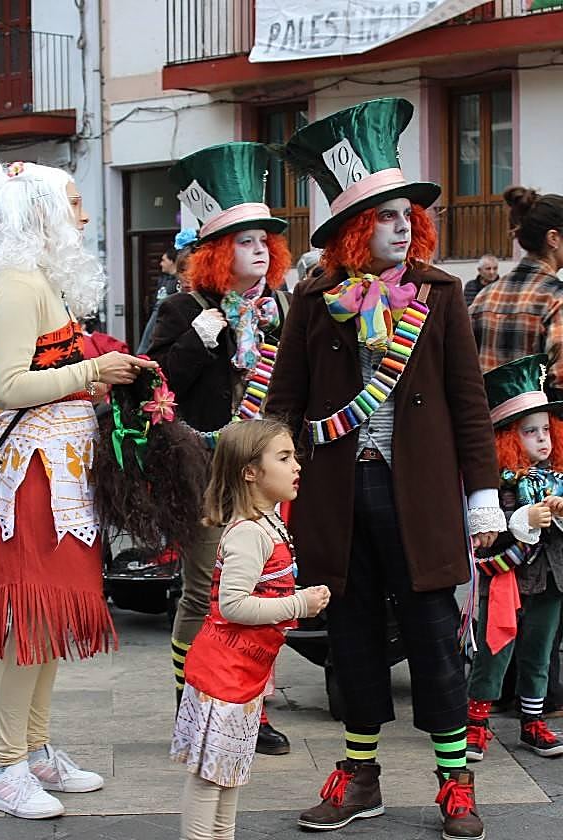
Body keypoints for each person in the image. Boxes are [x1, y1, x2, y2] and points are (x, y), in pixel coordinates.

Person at [264, 97, 500, 839]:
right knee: (353, 636)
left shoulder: (440, 293)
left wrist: (485, 495)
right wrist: (266, 492)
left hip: (421, 496)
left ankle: (454, 778)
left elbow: (468, 403)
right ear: (356, 229)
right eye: (388, 215)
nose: (405, 225)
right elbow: (284, 406)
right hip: (337, 495)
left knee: (432, 637)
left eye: (409, 215)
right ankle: (359, 775)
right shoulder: (312, 300)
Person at [0, 161, 150, 819]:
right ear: (43, 211)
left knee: (47, 625)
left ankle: (34, 749)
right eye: (74, 202)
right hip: (36, 483)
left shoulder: (40, 282)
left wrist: (93, 378)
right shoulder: (20, 286)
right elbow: (9, 386)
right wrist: (93, 367)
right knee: (31, 626)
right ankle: (4, 763)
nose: (83, 215)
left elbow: (40, 376)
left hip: (62, 476)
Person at [144, 143, 294, 754]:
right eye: (243, 240)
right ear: (214, 252)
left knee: (264, 589)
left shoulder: (277, 308)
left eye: (264, 240)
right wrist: (197, 344)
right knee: (206, 590)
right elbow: (152, 387)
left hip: (263, 472)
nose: (259, 249)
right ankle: (194, 705)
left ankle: (248, 708)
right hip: (203, 471)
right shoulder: (182, 308)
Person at [171, 419, 329, 840]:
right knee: (211, 780)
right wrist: (301, 604)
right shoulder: (249, 533)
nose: (297, 465)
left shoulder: (267, 523)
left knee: (229, 776)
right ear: (249, 472)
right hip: (224, 675)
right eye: (283, 457)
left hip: (243, 676)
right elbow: (233, 605)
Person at [465, 354, 563, 763]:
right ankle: (475, 724)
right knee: (495, 650)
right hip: (506, 577)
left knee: (539, 653)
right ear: (508, 438)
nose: (542, 439)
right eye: (530, 432)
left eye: (546, 430)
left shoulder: (558, 478)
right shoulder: (497, 485)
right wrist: (523, 518)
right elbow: (487, 528)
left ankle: (532, 722)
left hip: (553, 579)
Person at [471, 188, 563, 393]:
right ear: (553, 238)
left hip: (488, 421)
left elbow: (465, 372)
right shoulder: (556, 298)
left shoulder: (484, 296)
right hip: (543, 421)